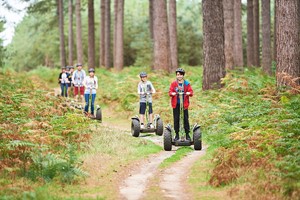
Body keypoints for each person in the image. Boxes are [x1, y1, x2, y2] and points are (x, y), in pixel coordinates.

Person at [169, 68, 193, 141]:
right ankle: (176, 134)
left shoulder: (186, 83)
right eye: (177, 75)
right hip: (176, 104)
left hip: (184, 105)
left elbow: (191, 91)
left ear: (183, 75)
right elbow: (170, 92)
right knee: (176, 119)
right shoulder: (174, 84)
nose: (179, 76)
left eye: (180, 75)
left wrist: (188, 93)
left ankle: (187, 134)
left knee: (185, 119)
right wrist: (172, 93)